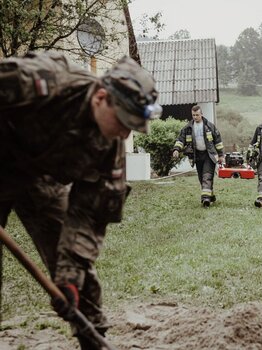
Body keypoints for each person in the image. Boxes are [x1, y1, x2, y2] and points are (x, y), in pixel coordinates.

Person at [0, 51, 161, 349]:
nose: (125, 133)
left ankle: (94, 340)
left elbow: (88, 216)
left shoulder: (109, 148)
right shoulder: (41, 80)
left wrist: (69, 279)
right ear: (101, 97)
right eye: (123, 121)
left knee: (80, 274)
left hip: (39, 179)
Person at [172, 105, 224, 207]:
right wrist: (176, 149)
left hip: (209, 155)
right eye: (193, 115)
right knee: (201, 177)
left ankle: (205, 199)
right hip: (196, 156)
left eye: (197, 115)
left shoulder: (210, 126)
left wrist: (221, 155)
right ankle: (210, 196)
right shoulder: (187, 128)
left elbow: (218, 141)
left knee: (207, 175)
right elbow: (180, 140)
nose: (195, 117)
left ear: (201, 114)